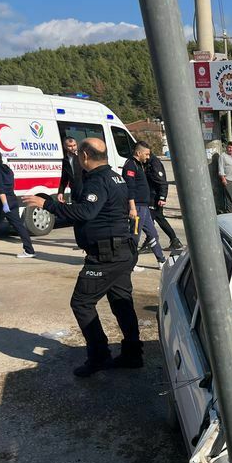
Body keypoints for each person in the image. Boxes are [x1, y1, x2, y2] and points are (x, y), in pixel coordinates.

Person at [23, 138, 143, 377]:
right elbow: (94, 214)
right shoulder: (115, 177)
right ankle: (132, 354)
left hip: (107, 255)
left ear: (86, 156)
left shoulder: (98, 180)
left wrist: (48, 204)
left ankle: (99, 356)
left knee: (82, 303)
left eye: (79, 154)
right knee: (121, 302)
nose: (77, 157)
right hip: (121, 251)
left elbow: (87, 211)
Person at [123, 141, 165, 271]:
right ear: (138, 152)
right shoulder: (130, 165)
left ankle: (161, 261)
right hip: (137, 207)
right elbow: (130, 188)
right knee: (134, 236)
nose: (148, 157)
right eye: (146, 154)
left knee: (153, 234)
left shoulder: (139, 164)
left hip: (144, 207)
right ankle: (130, 263)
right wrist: (132, 208)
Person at [140, 150, 183, 251]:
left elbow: (162, 182)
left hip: (155, 197)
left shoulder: (154, 164)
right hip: (151, 195)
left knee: (149, 220)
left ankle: (151, 242)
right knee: (157, 219)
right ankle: (173, 240)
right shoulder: (148, 162)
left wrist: (162, 197)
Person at [57, 137, 83, 203]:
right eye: (70, 146)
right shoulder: (65, 160)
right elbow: (64, 178)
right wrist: (61, 192)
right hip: (74, 191)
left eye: (74, 145)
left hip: (85, 190)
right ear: (65, 147)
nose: (73, 148)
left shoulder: (82, 156)